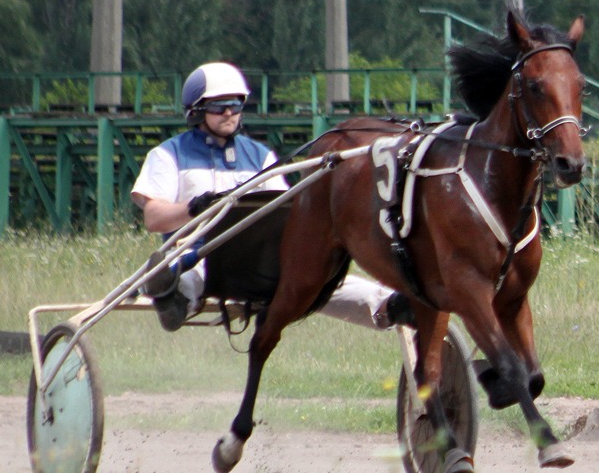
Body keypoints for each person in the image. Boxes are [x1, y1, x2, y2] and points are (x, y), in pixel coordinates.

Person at [134, 62, 403, 332]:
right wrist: (193, 208)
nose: (229, 112)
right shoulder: (167, 155)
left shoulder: (261, 156)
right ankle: (171, 292)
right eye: (219, 106)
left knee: (317, 273)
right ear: (196, 110)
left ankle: (390, 306)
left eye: (235, 104)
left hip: (260, 260)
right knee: (198, 272)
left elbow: (287, 214)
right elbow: (153, 218)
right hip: (199, 254)